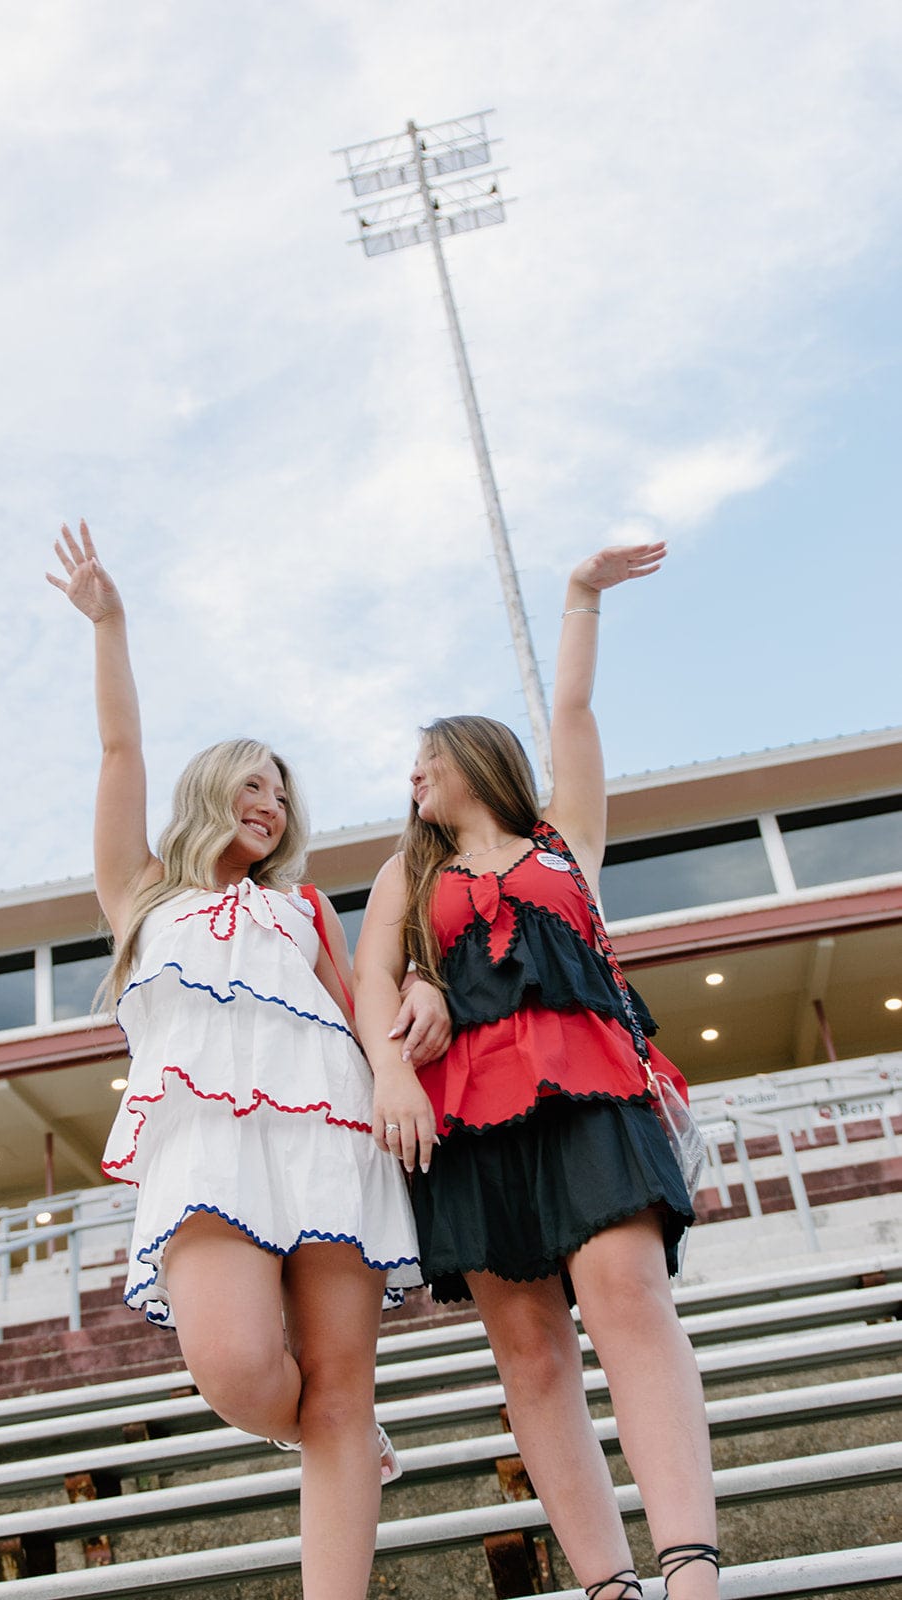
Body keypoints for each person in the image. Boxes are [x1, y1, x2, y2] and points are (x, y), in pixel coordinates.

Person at [47, 520, 449, 1600]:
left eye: (282, 792)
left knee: (339, 1387)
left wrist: (415, 1004)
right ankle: (348, 1447)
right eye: (251, 784)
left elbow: (360, 1006)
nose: (269, 804)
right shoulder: (141, 893)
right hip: (206, 1146)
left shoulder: (303, 905)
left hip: (332, 1137)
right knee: (234, 1369)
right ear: (210, 791)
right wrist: (110, 624)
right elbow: (118, 753)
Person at [354, 543, 720, 1600]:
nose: (413, 773)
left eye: (428, 755)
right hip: (464, 1119)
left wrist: (578, 599)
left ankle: (687, 1569)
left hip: (590, 1087)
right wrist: (389, 1075)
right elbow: (371, 975)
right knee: (530, 1353)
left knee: (626, 1298)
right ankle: (607, 1585)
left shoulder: (563, 839)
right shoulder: (405, 871)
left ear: (478, 756)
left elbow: (573, 712)